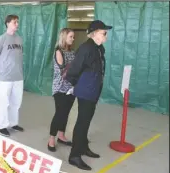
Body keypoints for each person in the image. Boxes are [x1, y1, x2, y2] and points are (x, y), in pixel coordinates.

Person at [65, 20, 112, 171]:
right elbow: (74, 69)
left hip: (93, 90)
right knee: (82, 123)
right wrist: (77, 86)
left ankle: (83, 147)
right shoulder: (86, 48)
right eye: (104, 32)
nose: (106, 35)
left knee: (87, 121)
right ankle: (74, 155)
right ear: (95, 33)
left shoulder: (99, 48)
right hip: (86, 91)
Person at [0, 14, 24, 137]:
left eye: (18, 22)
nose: (17, 24)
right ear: (8, 23)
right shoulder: (1, 39)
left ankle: (13, 123)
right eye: (15, 22)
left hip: (18, 77)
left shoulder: (19, 39)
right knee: (4, 103)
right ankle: (2, 126)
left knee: (16, 102)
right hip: (5, 78)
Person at [47, 28, 76, 152]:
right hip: (60, 88)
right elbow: (64, 69)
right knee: (59, 112)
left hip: (71, 88)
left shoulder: (72, 52)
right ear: (64, 37)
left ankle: (61, 135)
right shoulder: (59, 51)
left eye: (73, 37)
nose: (73, 39)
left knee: (66, 112)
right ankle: (51, 138)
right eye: (71, 37)